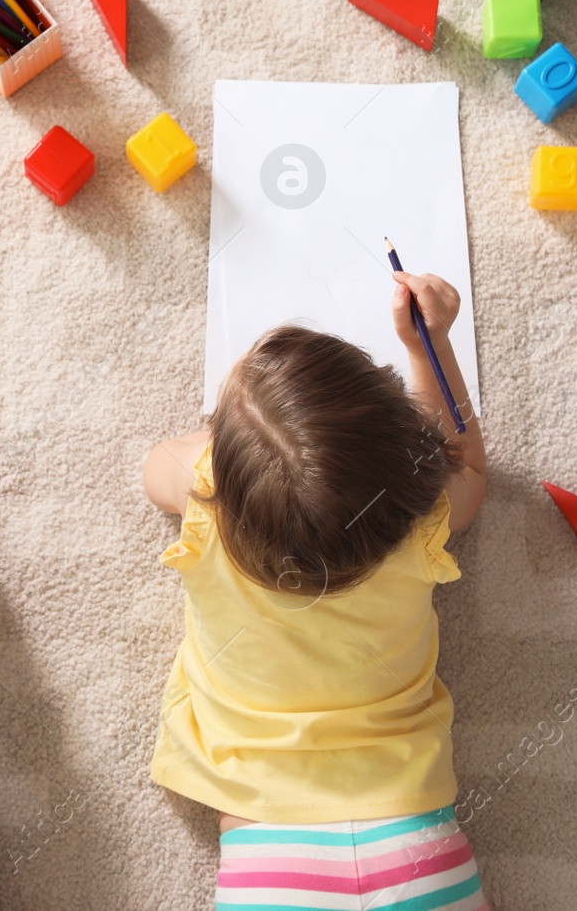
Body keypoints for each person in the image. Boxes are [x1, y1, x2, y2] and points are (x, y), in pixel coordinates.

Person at [141, 271, 491, 910]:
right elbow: (467, 464)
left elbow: (152, 464)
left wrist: (221, 447)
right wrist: (429, 347)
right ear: (408, 458)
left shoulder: (206, 506)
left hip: (268, 849)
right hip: (417, 843)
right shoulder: (419, 517)